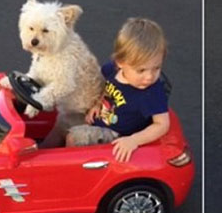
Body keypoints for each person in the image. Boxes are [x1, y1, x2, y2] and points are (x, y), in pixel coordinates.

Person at [66, 17, 170, 162]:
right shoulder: (111, 70)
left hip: (117, 134)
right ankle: (41, 157)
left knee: (74, 138)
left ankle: (72, 171)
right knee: (62, 121)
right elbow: (105, 87)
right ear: (120, 62)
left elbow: (162, 125)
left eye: (156, 68)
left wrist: (134, 140)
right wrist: (97, 103)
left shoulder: (151, 93)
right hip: (100, 119)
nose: (149, 77)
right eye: (141, 70)